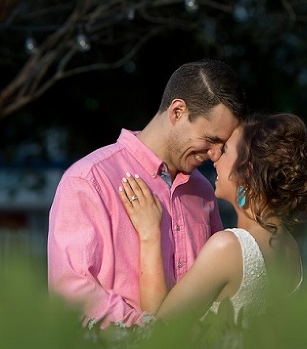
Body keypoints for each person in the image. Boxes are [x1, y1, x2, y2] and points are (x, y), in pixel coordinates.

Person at [47, 60, 245, 327]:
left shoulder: (203, 191)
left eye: (222, 145)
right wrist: (145, 331)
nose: (215, 155)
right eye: (210, 140)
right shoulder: (89, 180)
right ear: (177, 111)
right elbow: (70, 290)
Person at [118, 112, 307, 332]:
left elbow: (159, 332)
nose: (214, 156)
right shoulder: (289, 245)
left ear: (246, 172)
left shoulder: (229, 248)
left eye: (225, 149)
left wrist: (150, 233)